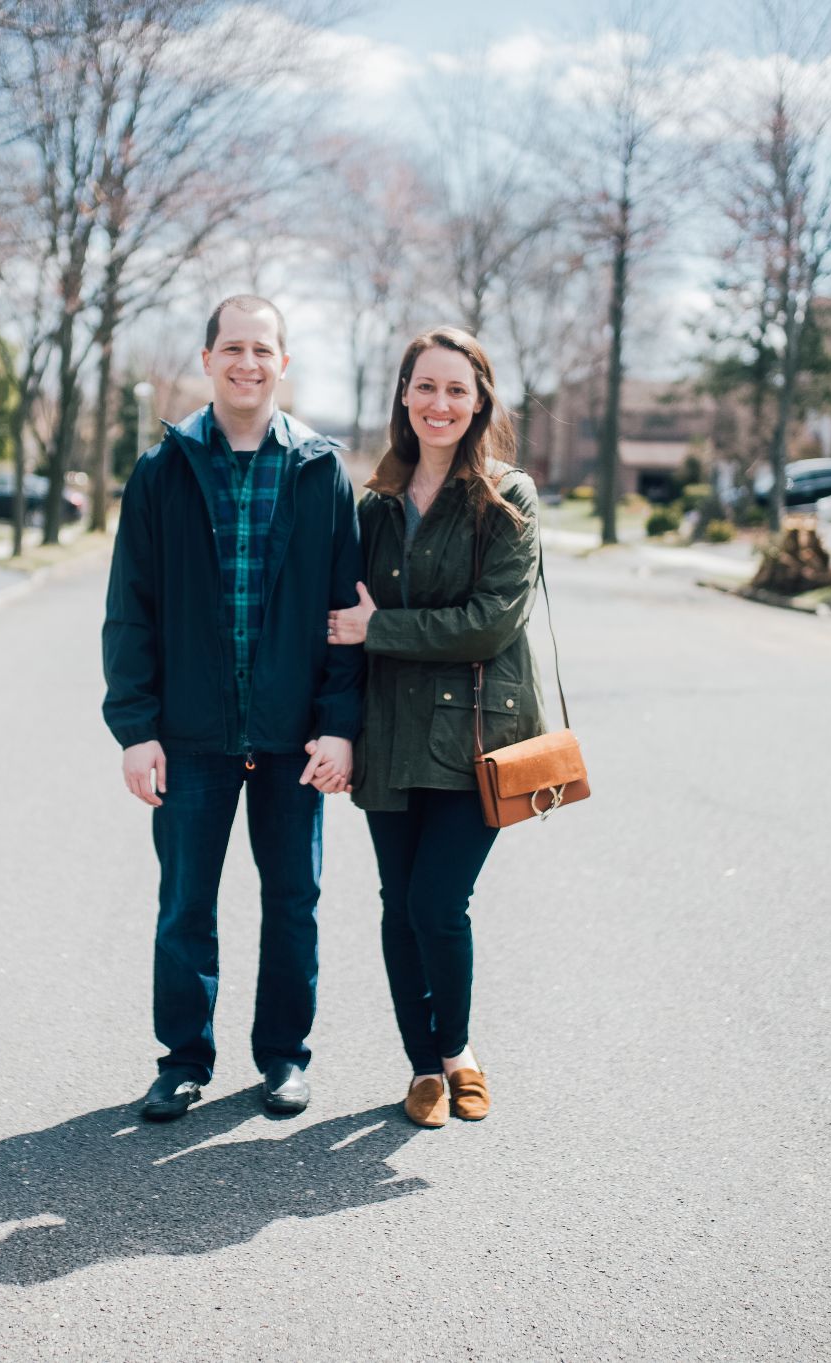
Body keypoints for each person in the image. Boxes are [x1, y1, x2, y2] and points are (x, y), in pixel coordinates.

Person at [103, 295, 363, 1122]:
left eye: (263, 349)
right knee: (186, 904)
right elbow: (129, 609)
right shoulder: (161, 469)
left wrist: (339, 722)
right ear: (207, 359)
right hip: (190, 735)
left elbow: (345, 614)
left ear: (283, 364)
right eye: (233, 348)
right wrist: (136, 729)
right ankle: (182, 1059)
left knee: (293, 902)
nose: (248, 362)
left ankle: (284, 1057)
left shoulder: (321, 471)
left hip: (293, 739)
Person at [325, 325, 543, 1130]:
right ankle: (422, 1067)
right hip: (388, 736)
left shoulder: (507, 496)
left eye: (457, 389)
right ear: (404, 397)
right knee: (397, 902)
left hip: (477, 738)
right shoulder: (375, 501)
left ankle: (458, 1051)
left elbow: (490, 623)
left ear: (480, 400)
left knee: (438, 902)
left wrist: (382, 629)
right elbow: (340, 618)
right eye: (426, 387)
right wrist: (337, 727)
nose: (440, 403)